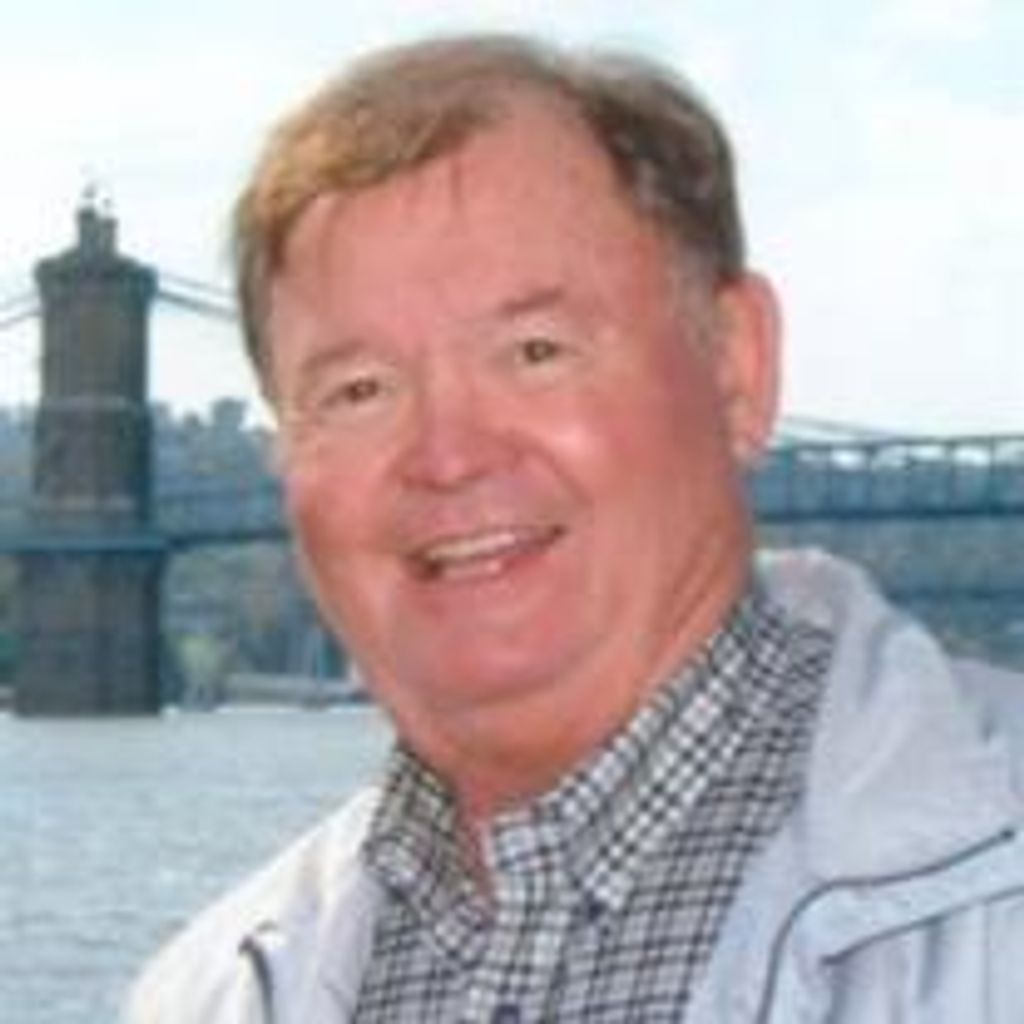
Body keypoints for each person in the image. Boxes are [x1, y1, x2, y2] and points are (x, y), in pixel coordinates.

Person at [125, 33, 1024, 1023]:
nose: (449, 454)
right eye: (359, 390)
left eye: (535, 351)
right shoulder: (198, 995)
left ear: (737, 365)